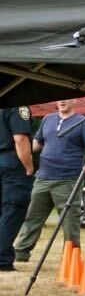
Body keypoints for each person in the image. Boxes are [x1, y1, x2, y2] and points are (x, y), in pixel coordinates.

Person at [15, 99, 85, 262]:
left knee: (69, 221)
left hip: (69, 179)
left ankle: (71, 259)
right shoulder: (47, 119)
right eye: (60, 99)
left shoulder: (83, 121)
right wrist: (18, 150)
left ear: (74, 100)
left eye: (67, 98)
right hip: (43, 177)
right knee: (32, 218)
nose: (62, 101)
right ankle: (21, 253)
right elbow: (37, 143)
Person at [0, 106, 34, 272]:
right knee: (13, 210)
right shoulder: (17, 105)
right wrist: (28, 167)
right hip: (11, 162)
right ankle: (3, 260)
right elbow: (20, 139)